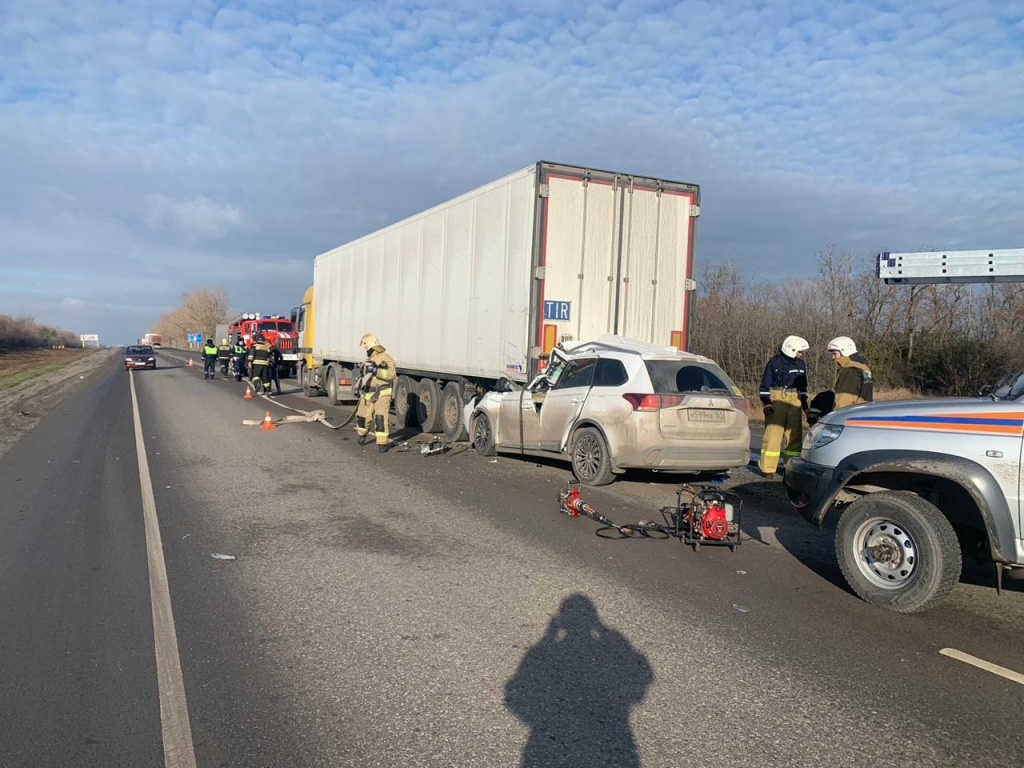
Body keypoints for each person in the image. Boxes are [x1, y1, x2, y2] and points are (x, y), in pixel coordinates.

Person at [757, 335, 809, 477]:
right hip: (777, 397)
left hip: (795, 399)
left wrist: (805, 405)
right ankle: (767, 468)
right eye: (799, 351)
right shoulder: (774, 362)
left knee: (794, 435)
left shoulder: (801, 364)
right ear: (791, 349)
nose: (801, 354)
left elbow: (803, 387)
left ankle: (790, 468)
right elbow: (764, 385)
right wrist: (767, 402)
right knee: (773, 434)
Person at [355, 333, 396, 453]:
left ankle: (382, 443)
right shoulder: (369, 360)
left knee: (380, 417)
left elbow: (391, 375)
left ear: (371, 345)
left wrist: (376, 371)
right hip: (367, 393)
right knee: (362, 416)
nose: (364, 349)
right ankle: (361, 435)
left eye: (365, 346)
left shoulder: (385, 358)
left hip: (381, 393)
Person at [827, 336, 873, 409]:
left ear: (844, 351)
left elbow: (844, 400)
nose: (833, 357)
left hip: (850, 415)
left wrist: (836, 415)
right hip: (864, 412)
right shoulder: (864, 367)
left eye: (835, 354)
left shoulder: (851, 370)